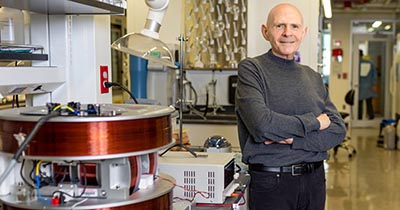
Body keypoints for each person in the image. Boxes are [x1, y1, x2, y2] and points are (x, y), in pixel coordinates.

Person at [235, 3, 346, 210]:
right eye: (280, 26)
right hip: (272, 182)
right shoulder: (252, 69)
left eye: (295, 26)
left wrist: (290, 138)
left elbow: (337, 130)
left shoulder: (313, 77)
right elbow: (262, 125)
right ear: (265, 31)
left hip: (314, 181)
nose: (288, 33)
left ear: (303, 32)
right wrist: (313, 122)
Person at [358, 50, 378, 120]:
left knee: (359, 103)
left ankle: (359, 117)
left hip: (360, 86)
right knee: (369, 102)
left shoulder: (356, 63)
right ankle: (371, 116)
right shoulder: (370, 63)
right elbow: (374, 75)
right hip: (369, 86)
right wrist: (374, 84)